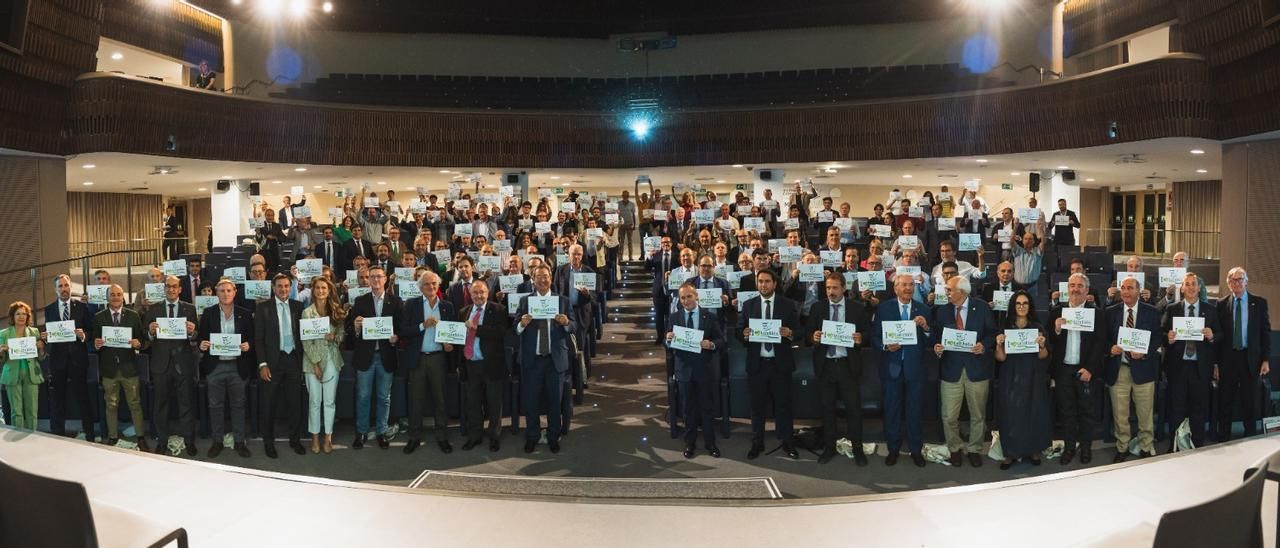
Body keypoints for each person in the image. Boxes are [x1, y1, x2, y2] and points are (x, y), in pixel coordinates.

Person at [735, 269, 802, 459]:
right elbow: (738, 330)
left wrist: (789, 333)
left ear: (774, 284)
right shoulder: (748, 305)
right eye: (760, 281)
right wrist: (743, 334)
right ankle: (757, 443)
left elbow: (799, 331)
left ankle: (788, 442)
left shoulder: (787, 305)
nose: (763, 285)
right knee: (757, 407)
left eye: (767, 281)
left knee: (784, 405)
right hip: (757, 364)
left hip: (780, 364)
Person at [805, 272, 870, 465]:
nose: (830, 292)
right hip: (826, 365)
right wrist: (813, 337)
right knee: (827, 409)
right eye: (827, 288)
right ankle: (829, 447)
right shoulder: (818, 307)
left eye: (834, 288)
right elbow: (808, 332)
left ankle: (857, 448)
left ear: (843, 288)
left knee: (854, 409)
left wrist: (861, 338)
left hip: (847, 365)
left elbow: (868, 333)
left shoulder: (856, 308)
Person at [931, 275, 995, 468]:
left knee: (978, 415)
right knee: (949, 416)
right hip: (951, 370)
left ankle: (975, 449)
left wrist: (983, 345)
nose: (946, 293)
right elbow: (936, 335)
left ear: (962, 291)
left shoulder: (982, 307)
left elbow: (992, 332)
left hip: (977, 369)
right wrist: (937, 346)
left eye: (949, 290)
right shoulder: (942, 311)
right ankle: (955, 447)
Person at [872, 273, 933, 467]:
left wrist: (926, 328)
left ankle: (916, 450)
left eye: (911, 285)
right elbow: (874, 337)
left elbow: (932, 340)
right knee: (892, 411)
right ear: (896, 288)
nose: (908, 288)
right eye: (904, 285)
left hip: (915, 370)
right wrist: (885, 345)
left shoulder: (923, 309)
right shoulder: (884, 308)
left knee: (915, 411)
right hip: (892, 368)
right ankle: (893, 449)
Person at [515, 265, 576, 454]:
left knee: (554, 400)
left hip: (554, 359)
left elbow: (574, 326)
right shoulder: (525, 301)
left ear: (551, 279)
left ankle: (553, 436)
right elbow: (515, 328)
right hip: (532, 359)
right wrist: (522, 325)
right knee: (531, 401)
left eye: (546, 277)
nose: (542, 280)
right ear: (533, 279)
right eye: (538, 277)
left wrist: (567, 323)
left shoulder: (562, 301)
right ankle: (532, 435)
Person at [1048, 272, 1107, 465]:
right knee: (1067, 411)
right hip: (1064, 369)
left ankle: (1086, 447)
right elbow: (1049, 342)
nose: (1075, 289)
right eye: (1072, 285)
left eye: (1080, 286)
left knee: (1086, 411)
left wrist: (1090, 369)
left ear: (1087, 290)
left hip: (1085, 370)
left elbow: (1100, 344)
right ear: (1067, 289)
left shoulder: (1096, 313)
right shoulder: (1057, 311)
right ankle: (1069, 447)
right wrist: (1056, 330)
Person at [993, 290, 1052, 469]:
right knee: (1011, 415)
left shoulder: (1038, 328)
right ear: (1013, 306)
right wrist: (999, 344)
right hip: (1010, 376)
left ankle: (1033, 450)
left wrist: (1042, 346)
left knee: (1033, 412)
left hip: (1033, 375)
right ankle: (1010, 453)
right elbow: (1000, 358)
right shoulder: (1005, 328)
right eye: (1018, 303)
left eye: (1025, 303)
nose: (1021, 307)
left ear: (1030, 306)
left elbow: (1044, 356)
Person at [399, 271, 457, 454]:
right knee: (416, 399)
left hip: (438, 358)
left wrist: (450, 344)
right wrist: (422, 325)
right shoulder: (411, 304)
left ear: (438, 285)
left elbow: (453, 331)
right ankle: (414, 437)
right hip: (418, 358)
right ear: (420, 287)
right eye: (426, 284)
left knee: (441, 399)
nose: (431, 287)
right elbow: (403, 330)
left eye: (434, 284)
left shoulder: (447, 306)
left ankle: (442, 437)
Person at [346, 265, 402, 449]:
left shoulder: (396, 302)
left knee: (383, 397)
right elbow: (350, 331)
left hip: (386, 355)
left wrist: (396, 338)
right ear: (368, 280)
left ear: (385, 279)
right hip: (366, 356)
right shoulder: (360, 301)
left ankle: (381, 432)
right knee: (363, 396)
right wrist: (355, 326)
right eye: (372, 277)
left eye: (379, 276)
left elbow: (400, 328)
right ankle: (361, 432)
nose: (376, 280)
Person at [1105, 276, 1161, 462]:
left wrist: (1144, 353)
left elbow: (1157, 339)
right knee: (1120, 413)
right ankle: (1122, 446)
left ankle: (1146, 446)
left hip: (1143, 368)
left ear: (1139, 290)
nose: (1126, 292)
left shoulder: (1151, 312)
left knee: (1145, 412)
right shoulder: (1111, 311)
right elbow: (1103, 338)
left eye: (1130, 288)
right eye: (1123, 288)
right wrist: (1110, 348)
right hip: (1119, 368)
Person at [667, 283, 725, 458]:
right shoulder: (674, 317)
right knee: (688, 409)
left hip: (704, 369)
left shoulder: (710, 316)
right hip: (684, 370)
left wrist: (711, 344)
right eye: (683, 298)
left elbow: (721, 341)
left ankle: (710, 443)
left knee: (707, 408)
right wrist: (668, 339)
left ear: (696, 296)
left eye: (689, 297)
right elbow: (668, 344)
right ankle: (689, 443)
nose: (686, 301)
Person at [1161, 273, 1218, 450]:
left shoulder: (1211, 310)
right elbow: (1161, 333)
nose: (1191, 287)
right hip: (1178, 367)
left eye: (1195, 284)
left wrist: (1212, 335)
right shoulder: (1172, 309)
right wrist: (1168, 338)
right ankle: (1175, 445)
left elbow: (1221, 335)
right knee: (1176, 409)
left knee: (1198, 409)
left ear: (1199, 288)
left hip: (1200, 368)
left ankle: (1198, 445)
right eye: (1188, 284)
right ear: (1182, 288)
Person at [143, 275, 199, 456]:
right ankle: (162, 441)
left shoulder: (189, 309)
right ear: (164, 288)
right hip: (161, 364)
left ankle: (189, 440)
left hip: (183, 363)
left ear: (180, 289)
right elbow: (146, 337)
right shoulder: (154, 309)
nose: (171, 289)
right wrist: (150, 332)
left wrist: (193, 333)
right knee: (161, 405)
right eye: (168, 286)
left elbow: (196, 337)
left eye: (174, 286)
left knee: (186, 404)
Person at [198, 279, 254, 458]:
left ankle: (239, 441)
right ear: (216, 293)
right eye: (222, 291)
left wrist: (248, 345)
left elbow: (253, 339)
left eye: (229, 290)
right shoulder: (208, 313)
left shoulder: (245, 314)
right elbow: (200, 338)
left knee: (238, 405)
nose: (225, 294)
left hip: (238, 366)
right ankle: (217, 441)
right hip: (216, 367)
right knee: (215, 405)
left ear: (235, 292)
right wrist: (202, 344)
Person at [1215, 267, 1270, 441]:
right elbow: (1218, 337)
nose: (1237, 283)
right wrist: (1215, 364)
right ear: (1228, 284)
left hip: (1250, 359)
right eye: (1233, 280)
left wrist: (1266, 360)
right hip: (1227, 360)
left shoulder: (1259, 303)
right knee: (1225, 402)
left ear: (1246, 281)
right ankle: (1223, 438)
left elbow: (1265, 333)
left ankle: (1250, 438)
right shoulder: (1221, 304)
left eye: (1240, 279)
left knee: (1250, 402)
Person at [254, 273, 306, 458]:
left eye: (286, 286)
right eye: (280, 286)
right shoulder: (263, 308)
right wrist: (262, 364)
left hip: (293, 360)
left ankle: (295, 439)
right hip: (271, 362)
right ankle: (268, 442)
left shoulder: (298, 307)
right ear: (273, 288)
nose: (283, 289)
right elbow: (258, 339)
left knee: (295, 403)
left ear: (291, 288)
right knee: (269, 403)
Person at [91, 285, 149, 450]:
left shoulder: (133, 315)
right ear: (107, 297)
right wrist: (96, 343)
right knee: (111, 405)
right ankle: (112, 437)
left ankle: (140, 437)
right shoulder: (98, 317)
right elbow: (94, 341)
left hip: (129, 368)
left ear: (123, 297)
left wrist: (139, 344)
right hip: (108, 369)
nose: (116, 297)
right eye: (112, 295)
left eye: (118, 294)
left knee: (135, 404)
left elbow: (142, 339)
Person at [459, 280, 511, 452]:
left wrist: (477, 328)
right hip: (471, 364)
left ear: (487, 293)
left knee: (494, 403)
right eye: (475, 293)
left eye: (482, 292)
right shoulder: (463, 312)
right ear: (470, 295)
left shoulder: (499, 310)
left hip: (491, 364)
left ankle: (494, 436)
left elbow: (501, 333)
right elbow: (458, 338)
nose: (479, 296)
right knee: (473, 403)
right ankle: (475, 436)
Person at [43, 275, 96, 441]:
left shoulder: (82, 307)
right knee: (57, 398)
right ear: (56, 289)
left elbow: (91, 331)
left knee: (83, 398)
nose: (64, 289)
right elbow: (50, 332)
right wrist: (45, 336)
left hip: (78, 360)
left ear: (71, 287)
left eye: (66, 285)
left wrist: (84, 335)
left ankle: (90, 434)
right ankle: (57, 434)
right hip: (57, 360)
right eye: (60, 286)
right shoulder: (49, 309)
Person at [301, 276, 344, 454]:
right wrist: (316, 363)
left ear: (329, 290)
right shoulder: (307, 313)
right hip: (312, 362)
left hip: (332, 359)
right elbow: (305, 341)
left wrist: (334, 337)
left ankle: (328, 437)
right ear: (313, 291)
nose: (321, 291)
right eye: (317, 288)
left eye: (324, 288)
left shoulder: (336, 311)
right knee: (314, 401)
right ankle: (315, 437)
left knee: (329, 401)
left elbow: (341, 335)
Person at [0, 301, 44, 430]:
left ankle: (32, 437)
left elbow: (40, 357)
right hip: (12, 375)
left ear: (28, 316)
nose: (21, 317)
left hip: (31, 375)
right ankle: (19, 444)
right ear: (12, 317)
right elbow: (1, 360)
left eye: (24, 314)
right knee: (16, 412)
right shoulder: (4, 334)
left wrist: (41, 348)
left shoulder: (35, 332)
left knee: (32, 411)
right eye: (18, 314)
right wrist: (1, 352)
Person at [1011, 232, 1045, 301]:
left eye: (1030, 239)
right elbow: (1011, 241)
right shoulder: (1018, 251)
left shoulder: (1037, 252)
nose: (1028, 241)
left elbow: (1043, 242)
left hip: (1033, 287)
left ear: (1034, 241)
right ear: (1022, 241)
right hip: (1018, 287)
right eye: (1026, 239)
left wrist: (1040, 229)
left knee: (1032, 309)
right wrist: (1015, 226)